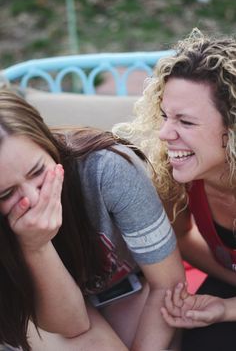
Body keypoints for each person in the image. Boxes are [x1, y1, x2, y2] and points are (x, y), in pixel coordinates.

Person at [0, 89, 185, 351]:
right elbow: (72, 325)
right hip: (36, 310)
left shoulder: (107, 168)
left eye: (38, 171)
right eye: (6, 193)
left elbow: (169, 283)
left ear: (46, 141)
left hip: (123, 289)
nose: (31, 198)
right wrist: (36, 247)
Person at [112, 28, 236, 351]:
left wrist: (226, 308)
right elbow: (179, 236)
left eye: (186, 121)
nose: (165, 133)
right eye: (166, 116)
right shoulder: (177, 173)